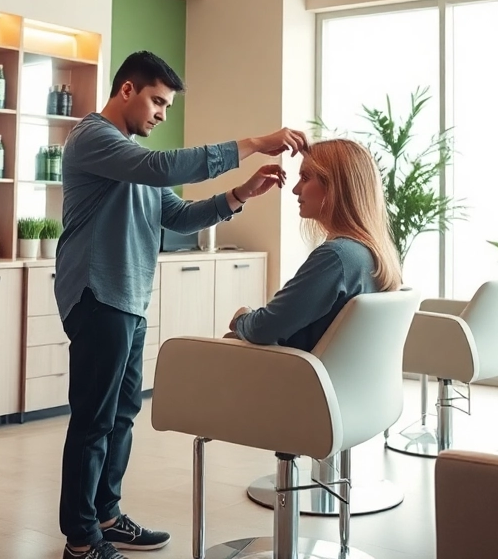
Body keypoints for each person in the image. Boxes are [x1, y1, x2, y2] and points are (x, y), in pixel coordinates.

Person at [54, 50, 308, 559]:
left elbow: (181, 215)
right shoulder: (93, 138)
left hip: (127, 300)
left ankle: (106, 514)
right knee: (94, 419)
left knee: (121, 414)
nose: (161, 114)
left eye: (167, 106)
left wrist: (241, 193)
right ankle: (81, 540)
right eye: (157, 101)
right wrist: (255, 144)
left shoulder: (132, 162)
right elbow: (161, 165)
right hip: (97, 294)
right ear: (126, 90)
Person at [227, 138, 402, 350]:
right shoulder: (372, 255)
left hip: (302, 378)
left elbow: (263, 328)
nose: (295, 189)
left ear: (335, 185)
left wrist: (241, 319)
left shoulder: (336, 257)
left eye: (305, 177)